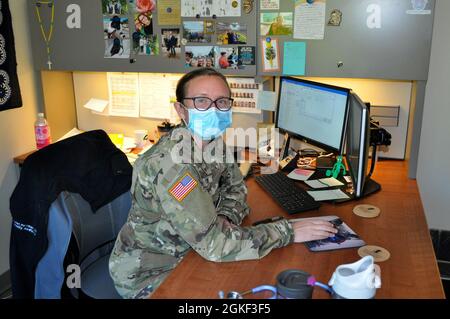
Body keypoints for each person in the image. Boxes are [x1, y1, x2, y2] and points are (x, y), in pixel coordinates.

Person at [109, 68, 337, 299]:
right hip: (153, 272)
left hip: (194, 250)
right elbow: (216, 246)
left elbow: (235, 187)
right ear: (181, 110)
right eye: (201, 101)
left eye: (222, 101)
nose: (214, 110)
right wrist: (287, 231)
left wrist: (225, 218)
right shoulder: (172, 168)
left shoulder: (210, 141)